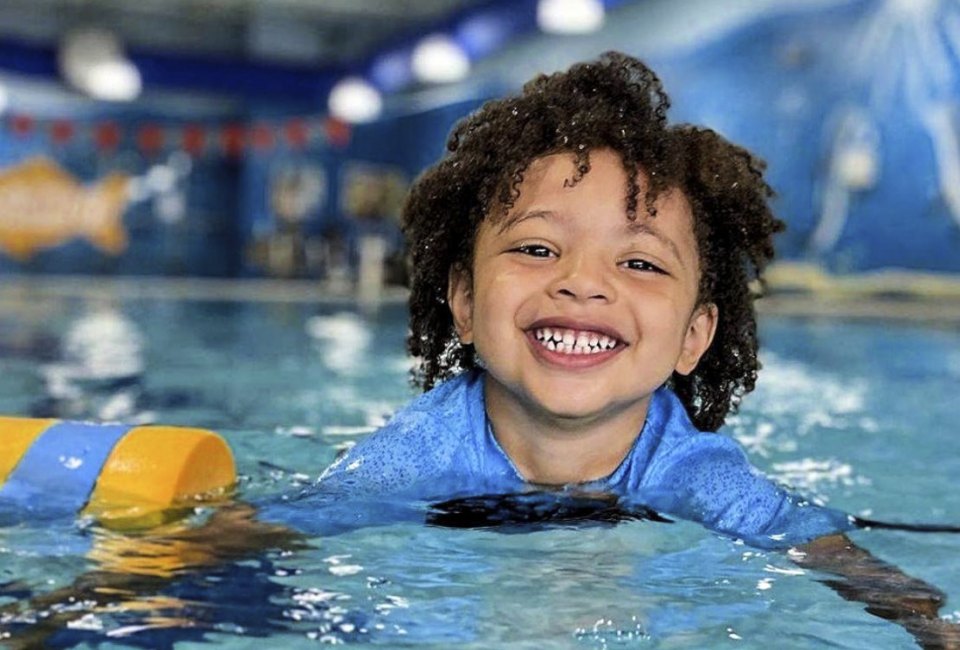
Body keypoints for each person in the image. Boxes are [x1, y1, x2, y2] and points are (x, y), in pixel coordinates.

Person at [300, 52, 959, 647]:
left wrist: (932, 626)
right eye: (536, 248)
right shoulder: (414, 452)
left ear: (693, 337)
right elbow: (279, 527)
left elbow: (822, 550)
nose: (583, 282)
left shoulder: (694, 472)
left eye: (640, 263)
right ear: (466, 303)